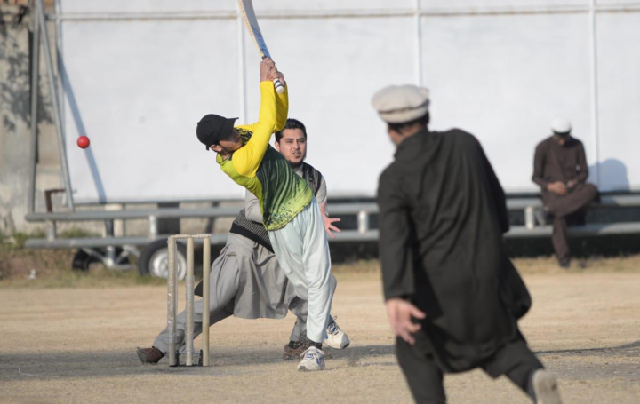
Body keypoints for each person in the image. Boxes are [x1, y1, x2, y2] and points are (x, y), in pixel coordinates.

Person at [373, 84, 562, 404]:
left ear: (390, 130)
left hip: (437, 287)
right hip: (489, 275)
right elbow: (498, 206)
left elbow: (394, 239)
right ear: (427, 116)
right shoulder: (465, 143)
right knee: (501, 342)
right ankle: (533, 377)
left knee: (414, 348)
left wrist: (396, 295)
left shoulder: (394, 176)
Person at [137, 119, 349, 365]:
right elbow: (251, 211)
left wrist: (315, 220)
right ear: (277, 145)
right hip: (247, 243)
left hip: (280, 251)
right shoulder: (263, 163)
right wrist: (290, 213)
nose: (296, 147)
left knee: (315, 290)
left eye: (300, 141)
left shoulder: (315, 178)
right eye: (289, 141)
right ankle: (162, 346)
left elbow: (317, 216)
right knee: (216, 301)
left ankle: (300, 343)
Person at [194, 59, 334, 371]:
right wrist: (264, 83)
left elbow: (276, 120)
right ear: (217, 147)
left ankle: (314, 343)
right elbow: (268, 119)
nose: (235, 130)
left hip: (292, 223)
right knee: (218, 302)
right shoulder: (241, 162)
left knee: (317, 281)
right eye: (228, 133)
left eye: (231, 125)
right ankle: (169, 343)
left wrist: (281, 89)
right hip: (263, 232)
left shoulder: (241, 134)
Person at [532, 119, 598, 268]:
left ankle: (549, 211)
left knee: (591, 189)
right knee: (559, 217)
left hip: (572, 191)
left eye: (565, 136)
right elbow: (535, 177)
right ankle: (564, 260)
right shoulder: (542, 147)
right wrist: (551, 186)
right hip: (552, 192)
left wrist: (572, 184)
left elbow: (583, 173)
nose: (562, 141)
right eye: (559, 136)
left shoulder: (577, 145)